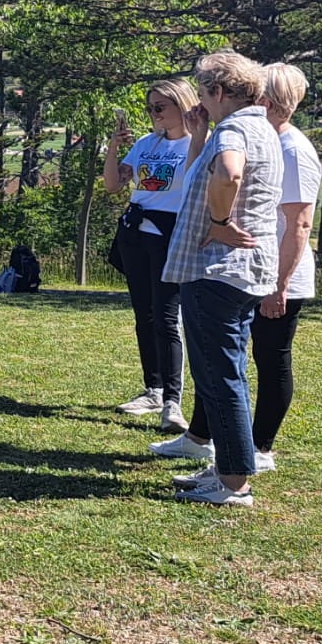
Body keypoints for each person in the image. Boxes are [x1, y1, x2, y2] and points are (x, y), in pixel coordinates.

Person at [150, 52, 282, 507]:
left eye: (205, 92)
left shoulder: (235, 130)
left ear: (220, 91)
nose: (201, 100)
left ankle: (233, 484)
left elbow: (228, 173)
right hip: (244, 273)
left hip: (216, 271)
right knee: (229, 374)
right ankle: (227, 468)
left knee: (218, 378)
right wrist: (202, 133)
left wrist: (220, 222)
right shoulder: (262, 127)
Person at [175, 62, 319, 473]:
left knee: (264, 361)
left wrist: (280, 284)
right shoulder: (258, 135)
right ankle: (207, 441)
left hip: (266, 268)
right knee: (223, 364)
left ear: (270, 100)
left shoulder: (290, 148)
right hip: (246, 263)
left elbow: (299, 223)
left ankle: (256, 452)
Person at [102, 78, 204, 432]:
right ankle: (154, 389)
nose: (154, 114)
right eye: (150, 108)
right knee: (144, 315)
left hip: (170, 234)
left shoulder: (198, 143)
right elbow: (113, 185)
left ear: (182, 104)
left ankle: (173, 402)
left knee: (166, 317)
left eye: (160, 107)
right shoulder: (147, 143)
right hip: (135, 233)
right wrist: (113, 148)